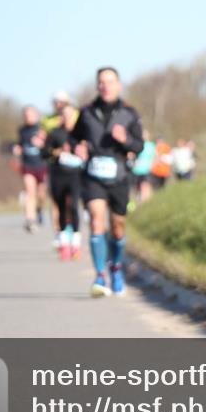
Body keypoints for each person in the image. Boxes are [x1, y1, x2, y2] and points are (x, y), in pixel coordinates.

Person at [71, 67, 144, 297]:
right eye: (101, 82)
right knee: (96, 220)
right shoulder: (86, 112)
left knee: (118, 227)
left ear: (118, 85)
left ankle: (116, 267)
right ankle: (100, 275)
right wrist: (77, 147)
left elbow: (139, 146)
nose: (105, 86)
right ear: (97, 86)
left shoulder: (129, 113)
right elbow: (73, 137)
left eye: (110, 81)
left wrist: (126, 140)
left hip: (120, 175)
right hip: (93, 175)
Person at [44, 105, 83, 260]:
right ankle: (64, 244)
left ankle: (75, 244)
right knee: (60, 208)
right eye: (64, 114)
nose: (67, 117)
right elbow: (44, 152)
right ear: (61, 116)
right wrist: (56, 151)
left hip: (76, 175)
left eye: (70, 114)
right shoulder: (54, 133)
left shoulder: (80, 133)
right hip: (58, 174)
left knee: (73, 206)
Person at [12, 106, 49, 232]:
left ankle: (39, 209)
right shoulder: (22, 130)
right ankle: (30, 219)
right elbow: (20, 144)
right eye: (26, 115)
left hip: (42, 165)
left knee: (41, 194)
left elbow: (50, 147)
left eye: (30, 114)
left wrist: (42, 143)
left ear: (36, 115)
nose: (28, 117)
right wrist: (18, 148)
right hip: (28, 165)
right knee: (29, 192)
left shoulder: (42, 129)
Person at [131, 130, 157, 204]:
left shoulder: (151, 145)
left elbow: (155, 157)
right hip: (136, 170)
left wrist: (153, 165)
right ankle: (139, 201)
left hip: (147, 169)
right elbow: (132, 156)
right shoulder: (136, 145)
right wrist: (133, 163)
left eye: (145, 135)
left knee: (145, 186)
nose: (143, 136)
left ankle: (146, 202)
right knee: (136, 188)